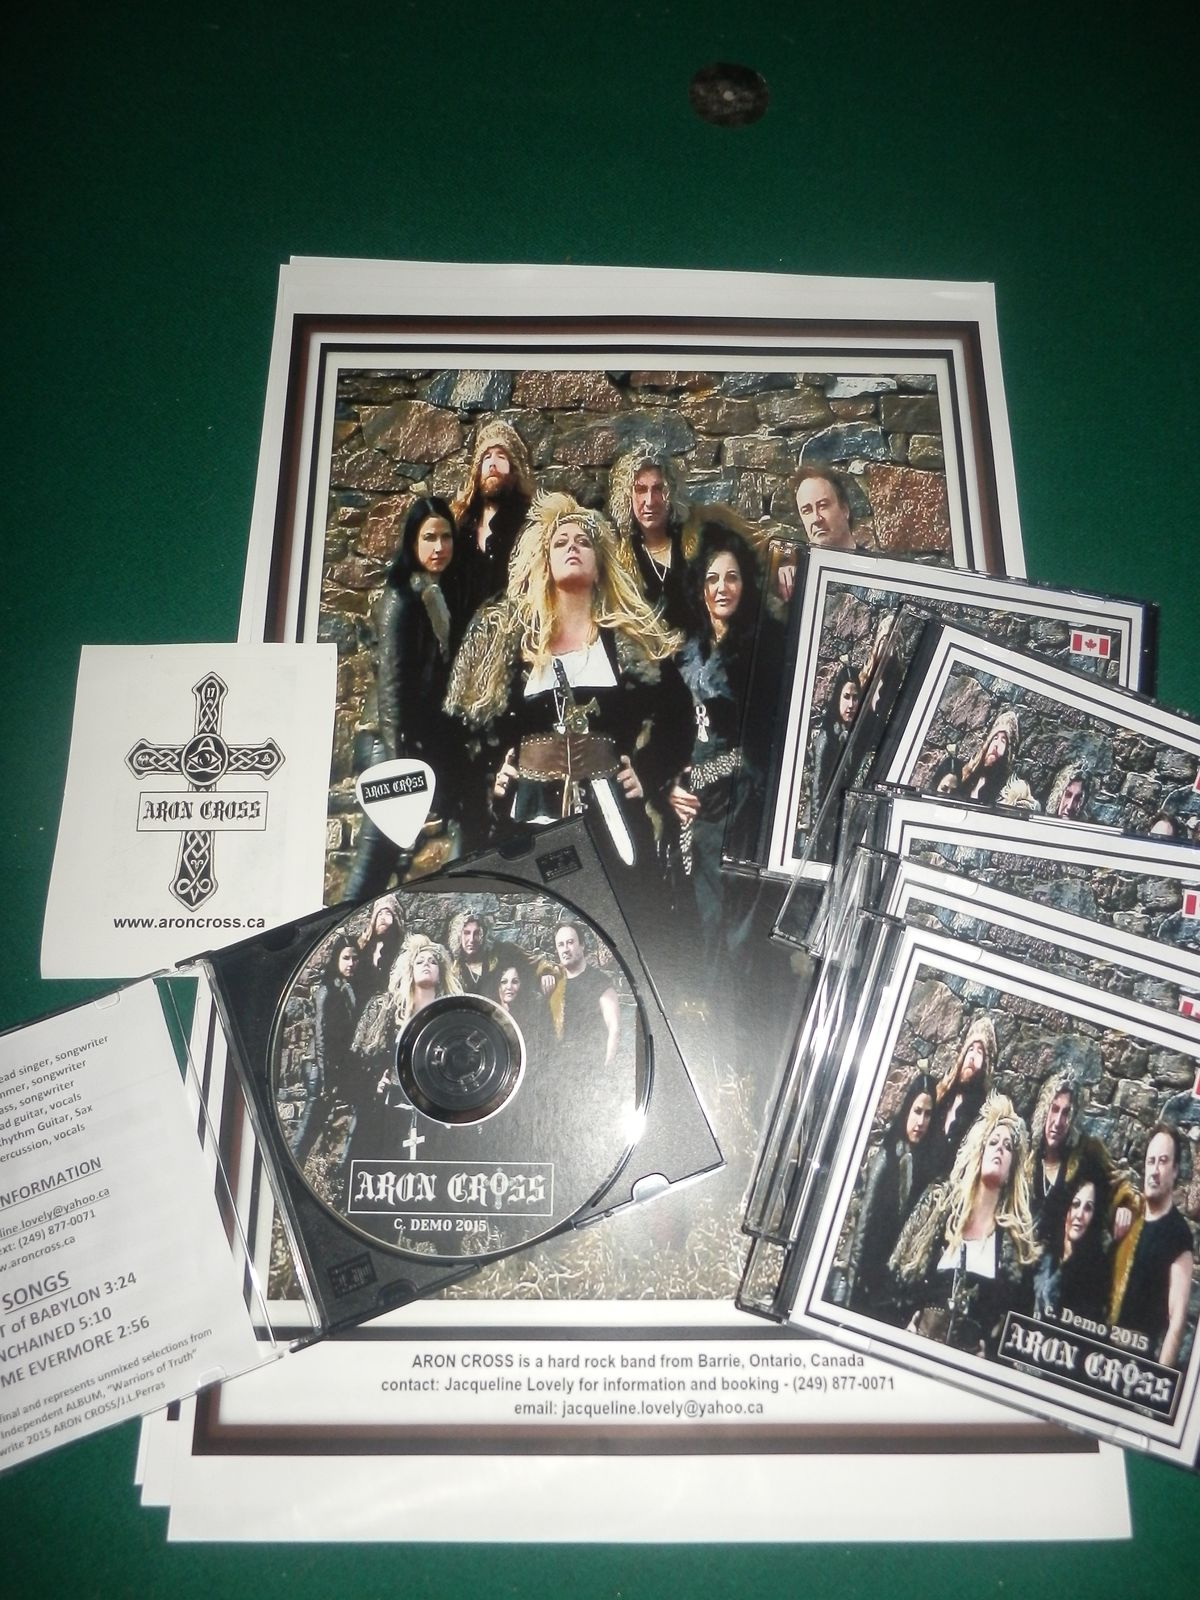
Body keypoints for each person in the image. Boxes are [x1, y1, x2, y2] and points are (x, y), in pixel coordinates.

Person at [443, 490, 693, 869]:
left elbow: (678, 714)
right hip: (527, 816)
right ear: (546, 563)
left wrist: (645, 772)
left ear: (599, 565)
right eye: (560, 543)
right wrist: (492, 776)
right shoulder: (513, 647)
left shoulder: (629, 646)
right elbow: (470, 732)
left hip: (612, 818)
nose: (572, 547)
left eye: (583, 542)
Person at [344, 496, 467, 898]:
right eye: (429, 537)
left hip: (415, 741)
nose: (439, 547)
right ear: (412, 542)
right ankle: (337, 923)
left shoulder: (437, 593)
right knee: (375, 854)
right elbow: (393, 687)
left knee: (392, 855)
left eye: (446, 537)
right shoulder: (401, 598)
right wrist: (398, 767)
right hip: (387, 739)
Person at [666, 525, 771, 974]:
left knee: (734, 919)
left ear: (746, 584)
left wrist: (720, 775)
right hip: (689, 797)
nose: (722, 588)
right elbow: (668, 733)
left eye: (732, 577)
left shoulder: (761, 651)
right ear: (700, 588)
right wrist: (672, 783)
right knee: (692, 911)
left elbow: (764, 741)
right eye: (712, 578)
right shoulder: (684, 651)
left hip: (741, 798)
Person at [890, 1092, 1040, 1356]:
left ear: (1012, 1169)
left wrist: (989, 1356)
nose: (1000, 1149)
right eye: (993, 1142)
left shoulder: (1014, 1248)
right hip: (916, 1351)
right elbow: (898, 1282)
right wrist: (904, 1327)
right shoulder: (939, 1211)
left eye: (1008, 1147)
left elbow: (1015, 1331)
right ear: (980, 1153)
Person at [846, 1071, 936, 1314]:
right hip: (865, 1278)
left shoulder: (922, 1161)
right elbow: (864, 1224)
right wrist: (852, 1284)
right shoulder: (887, 1158)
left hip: (889, 1284)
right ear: (907, 1110)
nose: (921, 1122)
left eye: (928, 1114)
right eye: (917, 1111)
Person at [1109, 1124, 1195, 1367]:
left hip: (1132, 1367)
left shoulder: (1178, 1235)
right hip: (1096, 1351)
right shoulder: (1128, 1215)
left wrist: (1158, 1377)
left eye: (1163, 1161)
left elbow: (1177, 1320)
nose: (1154, 1171)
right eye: (1151, 1161)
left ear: (1175, 1170)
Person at [1025, 1071, 1135, 1246]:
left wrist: (1125, 1206)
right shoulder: (1027, 1158)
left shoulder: (1086, 1156)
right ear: (1044, 1111)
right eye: (1054, 1109)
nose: (1058, 1122)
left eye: (1066, 1113)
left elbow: (1118, 1186)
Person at [449, 419, 534, 618]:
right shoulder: (459, 525)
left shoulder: (530, 523)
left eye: (501, 456)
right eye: (486, 457)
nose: (492, 464)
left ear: (514, 469)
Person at [291, 939, 359, 1171]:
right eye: (346, 958)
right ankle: (290, 1166)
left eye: (355, 958)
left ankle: (297, 1166)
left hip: (329, 1068)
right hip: (318, 1068)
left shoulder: (345, 988)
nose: (351, 963)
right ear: (336, 959)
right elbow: (321, 1034)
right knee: (308, 1127)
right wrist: (325, 1076)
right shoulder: (327, 990)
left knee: (314, 1127)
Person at [1033, 1173, 1111, 1325]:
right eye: (1076, 1205)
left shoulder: (1096, 1272)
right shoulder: (1042, 1257)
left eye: (1088, 1208)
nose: (1080, 1215)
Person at [929, 709, 1038, 810]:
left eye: (1003, 741)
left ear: (1008, 751)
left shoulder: (1008, 791)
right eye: (995, 738)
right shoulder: (962, 773)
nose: (996, 745)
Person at [928, 1014, 995, 1179]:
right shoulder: (941, 1095)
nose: (972, 1056)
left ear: (985, 1064)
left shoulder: (983, 1112)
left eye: (979, 1052)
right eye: (970, 1049)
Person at [546, 920, 620, 1070]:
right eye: (561, 945)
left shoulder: (600, 982)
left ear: (582, 945)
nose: (565, 949)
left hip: (589, 1067)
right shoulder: (554, 983)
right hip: (557, 1069)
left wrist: (606, 1068)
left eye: (570, 942)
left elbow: (614, 1029)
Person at [792, 467, 864, 553]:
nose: (816, 519)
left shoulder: (872, 561)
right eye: (807, 511)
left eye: (823, 506)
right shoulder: (798, 562)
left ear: (845, 510)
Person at [355, 898, 404, 1000]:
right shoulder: (363, 948)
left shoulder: (402, 949)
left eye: (387, 913)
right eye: (379, 914)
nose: (382, 918)